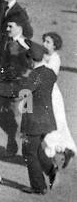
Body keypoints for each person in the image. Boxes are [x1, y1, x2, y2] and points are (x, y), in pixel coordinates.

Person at [0, 18, 43, 159]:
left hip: (17, 86)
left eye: (10, 26)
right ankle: (13, 138)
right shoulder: (4, 40)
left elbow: (35, 61)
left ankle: (30, 146)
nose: (7, 28)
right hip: (2, 83)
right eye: (6, 26)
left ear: (20, 27)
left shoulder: (26, 44)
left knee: (15, 115)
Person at [16, 48, 60, 194]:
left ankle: (38, 186)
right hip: (47, 118)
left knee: (29, 152)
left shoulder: (35, 75)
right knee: (37, 148)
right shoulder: (49, 72)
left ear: (30, 60)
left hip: (34, 121)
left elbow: (24, 93)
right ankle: (51, 170)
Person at [39, 32, 75, 169]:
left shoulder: (55, 58)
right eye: (44, 41)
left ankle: (54, 155)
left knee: (52, 124)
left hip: (51, 96)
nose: (44, 44)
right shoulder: (42, 56)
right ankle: (63, 151)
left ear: (55, 46)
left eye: (48, 42)